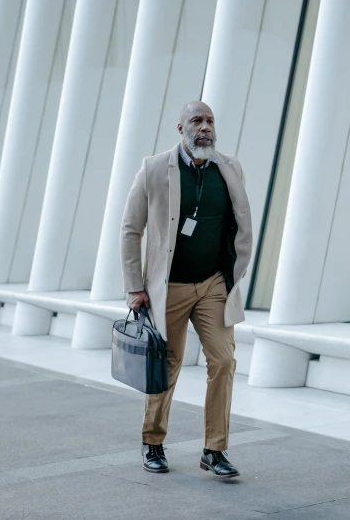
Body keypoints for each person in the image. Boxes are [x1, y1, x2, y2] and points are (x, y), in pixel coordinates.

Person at [120, 101, 252, 478]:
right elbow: (131, 229)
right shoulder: (154, 168)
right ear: (181, 129)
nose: (205, 127)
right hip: (169, 286)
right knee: (168, 364)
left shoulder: (230, 168)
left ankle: (215, 449)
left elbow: (237, 225)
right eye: (197, 120)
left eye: (210, 120)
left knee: (224, 362)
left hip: (213, 283)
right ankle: (153, 441)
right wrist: (134, 287)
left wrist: (233, 276)